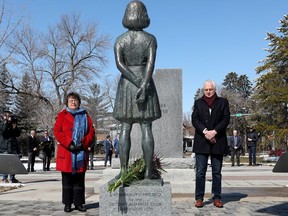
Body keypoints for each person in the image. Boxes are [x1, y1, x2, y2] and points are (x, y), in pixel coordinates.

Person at [113, 0, 161, 179]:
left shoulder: (120, 40)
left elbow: (119, 64)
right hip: (144, 82)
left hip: (126, 84)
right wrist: (142, 83)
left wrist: (133, 81)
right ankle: (149, 170)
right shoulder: (150, 39)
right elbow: (150, 64)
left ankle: (124, 171)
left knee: (125, 128)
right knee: (146, 128)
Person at [54, 92, 95, 213]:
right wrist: (69, 143)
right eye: (71, 100)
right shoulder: (62, 115)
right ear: (67, 102)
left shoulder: (85, 116)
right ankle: (67, 203)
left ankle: (79, 203)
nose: (73, 102)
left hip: (81, 152)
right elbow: (57, 131)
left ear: (79, 102)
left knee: (79, 180)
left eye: (75, 100)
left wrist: (83, 143)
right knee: (66, 180)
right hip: (67, 152)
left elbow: (91, 131)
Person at [192, 80, 230, 208]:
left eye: (210, 89)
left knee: (216, 172)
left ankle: (217, 197)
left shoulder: (223, 102)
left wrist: (214, 132)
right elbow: (195, 120)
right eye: (206, 90)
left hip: (218, 141)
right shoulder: (198, 103)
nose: (208, 92)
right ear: (204, 90)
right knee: (200, 172)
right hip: (201, 141)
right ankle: (199, 198)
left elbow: (226, 119)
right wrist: (205, 131)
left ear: (215, 90)